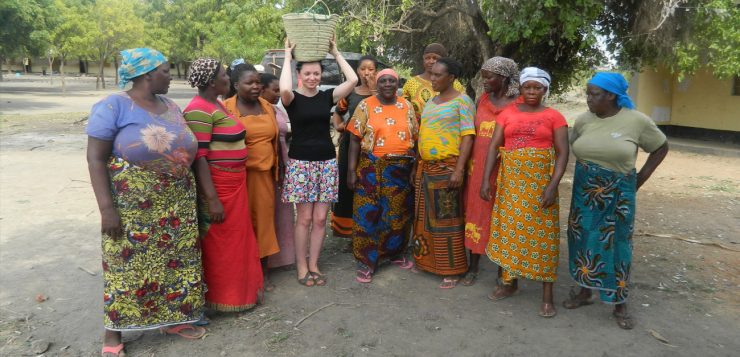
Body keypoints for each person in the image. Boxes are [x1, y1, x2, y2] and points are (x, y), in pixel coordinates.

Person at [87, 48, 205, 357]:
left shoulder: (170, 105)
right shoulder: (114, 106)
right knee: (124, 265)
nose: (170, 75)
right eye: (166, 71)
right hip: (131, 204)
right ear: (147, 74)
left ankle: (171, 319)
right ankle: (113, 334)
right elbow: (95, 158)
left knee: (173, 263)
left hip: (175, 201)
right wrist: (106, 208)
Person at [563, 72, 668, 329]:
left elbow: (661, 147)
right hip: (584, 192)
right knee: (583, 239)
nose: (588, 99)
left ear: (611, 96)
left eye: (594, 94)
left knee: (617, 245)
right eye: (587, 93)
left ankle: (619, 303)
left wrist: (638, 180)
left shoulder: (637, 121)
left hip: (617, 194)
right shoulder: (583, 120)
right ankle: (585, 292)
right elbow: (574, 146)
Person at [479, 67, 569, 318]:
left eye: (537, 88)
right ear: (520, 88)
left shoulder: (555, 117)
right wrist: (486, 180)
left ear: (545, 90)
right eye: (527, 87)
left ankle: (547, 296)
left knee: (545, 238)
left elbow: (563, 154)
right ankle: (509, 284)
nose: (531, 92)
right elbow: (495, 147)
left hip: (540, 185)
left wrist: (552, 186)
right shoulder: (507, 113)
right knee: (510, 231)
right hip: (511, 184)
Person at [183, 58, 263, 311]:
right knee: (221, 242)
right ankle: (222, 298)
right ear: (210, 81)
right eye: (223, 76)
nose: (227, 79)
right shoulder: (198, 109)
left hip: (235, 182)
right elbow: (199, 156)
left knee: (237, 240)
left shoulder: (215, 104)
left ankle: (241, 294)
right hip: (219, 187)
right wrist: (212, 198)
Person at [279, 38, 358, 286]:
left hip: (326, 163)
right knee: (303, 218)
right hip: (301, 164)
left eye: (316, 73)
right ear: (299, 75)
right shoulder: (291, 99)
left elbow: (353, 80)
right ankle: (301, 266)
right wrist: (287, 57)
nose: (312, 77)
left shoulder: (327, 97)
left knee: (321, 219)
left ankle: (314, 263)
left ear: (321, 75)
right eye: (307, 73)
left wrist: (336, 53)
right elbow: (283, 89)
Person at [346, 68, 418, 283]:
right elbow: (354, 140)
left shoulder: (406, 106)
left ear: (397, 84)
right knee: (367, 214)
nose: (388, 84)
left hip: (400, 168)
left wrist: (414, 167)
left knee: (397, 214)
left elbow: (416, 136)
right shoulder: (365, 105)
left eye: (392, 81)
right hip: (371, 167)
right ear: (377, 84)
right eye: (383, 80)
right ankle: (365, 262)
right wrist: (351, 170)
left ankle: (393, 254)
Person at [411, 57, 475, 288]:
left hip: (447, 168)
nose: (433, 78)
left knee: (447, 221)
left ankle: (453, 269)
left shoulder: (463, 102)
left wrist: (459, 170)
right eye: (432, 74)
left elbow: (468, 136)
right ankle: (426, 261)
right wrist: (417, 163)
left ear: (452, 78)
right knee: (424, 219)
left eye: (438, 75)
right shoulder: (431, 102)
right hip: (426, 168)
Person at [461, 57, 520, 287]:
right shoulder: (483, 99)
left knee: (502, 216)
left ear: (504, 78)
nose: (483, 81)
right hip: (477, 168)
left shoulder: (519, 102)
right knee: (476, 212)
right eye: (483, 75)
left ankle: (502, 269)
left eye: (489, 77)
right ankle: (473, 266)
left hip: (505, 168)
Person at [223, 63, 281, 291]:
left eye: (258, 82)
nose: (256, 86)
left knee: (264, 224)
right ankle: (238, 273)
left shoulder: (267, 107)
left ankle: (261, 273)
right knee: (237, 224)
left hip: (264, 176)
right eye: (250, 82)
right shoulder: (225, 108)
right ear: (236, 85)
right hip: (235, 176)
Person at [331, 55, 378, 240]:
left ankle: (370, 229)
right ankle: (349, 231)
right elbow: (338, 114)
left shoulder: (383, 92)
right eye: (363, 69)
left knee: (369, 185)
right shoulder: (351, 92)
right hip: (350, 144)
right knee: (349, 184)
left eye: (371, 69)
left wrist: (375, 90)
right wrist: (339, 126)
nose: (366, 72)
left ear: (376, 71)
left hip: (372, 147)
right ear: (357, 71)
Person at [261, 72, 297, 270]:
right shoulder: (256, 110)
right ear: (262, 89)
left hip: (283, 165)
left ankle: (282, 258)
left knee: (282, 212)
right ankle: (265, 261)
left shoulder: (277, 109)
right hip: (267, 166)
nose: (278, 94)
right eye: (274, 90)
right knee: (267, 213)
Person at [402, 43, 466, 122]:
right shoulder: (411, 83)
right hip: (419, 132)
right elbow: (403, 110)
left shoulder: (454, 84)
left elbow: (464, 110)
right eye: (427, 58)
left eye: (435, 58)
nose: (431, 61)